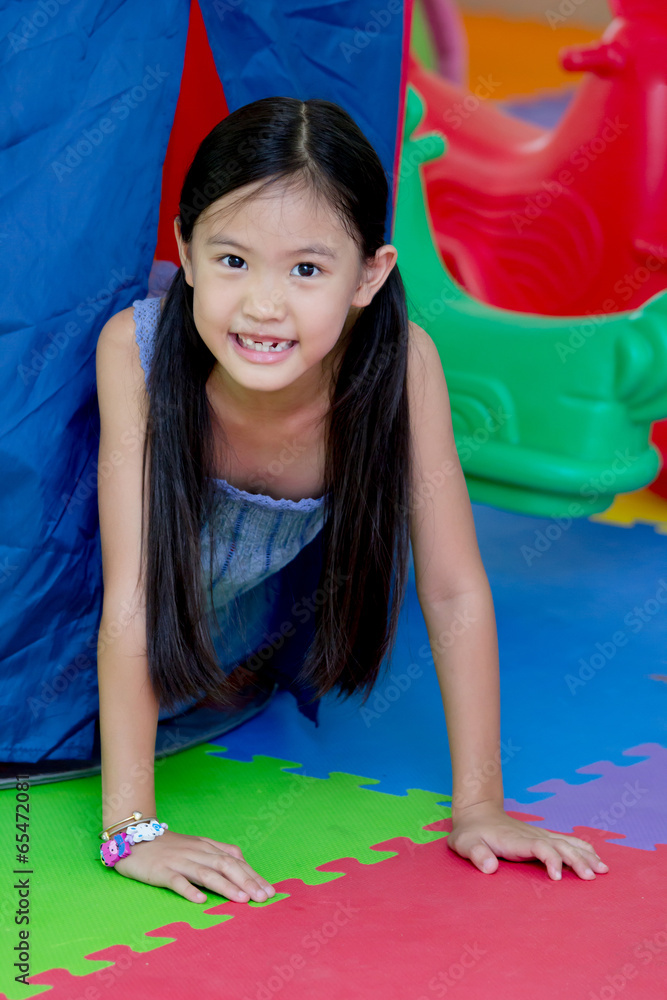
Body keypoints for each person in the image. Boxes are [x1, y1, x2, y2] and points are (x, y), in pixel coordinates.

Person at [95, 95, 609, 907]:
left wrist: (478, 806)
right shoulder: (139, 352)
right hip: (73, 618)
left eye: (306, 269)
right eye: (232, 261)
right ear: (185, 254)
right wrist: (132, 828)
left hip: (214, 635)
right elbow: (130, 595)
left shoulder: (399, 370)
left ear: (369, 274)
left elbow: (451, 585)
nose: (264, 305)